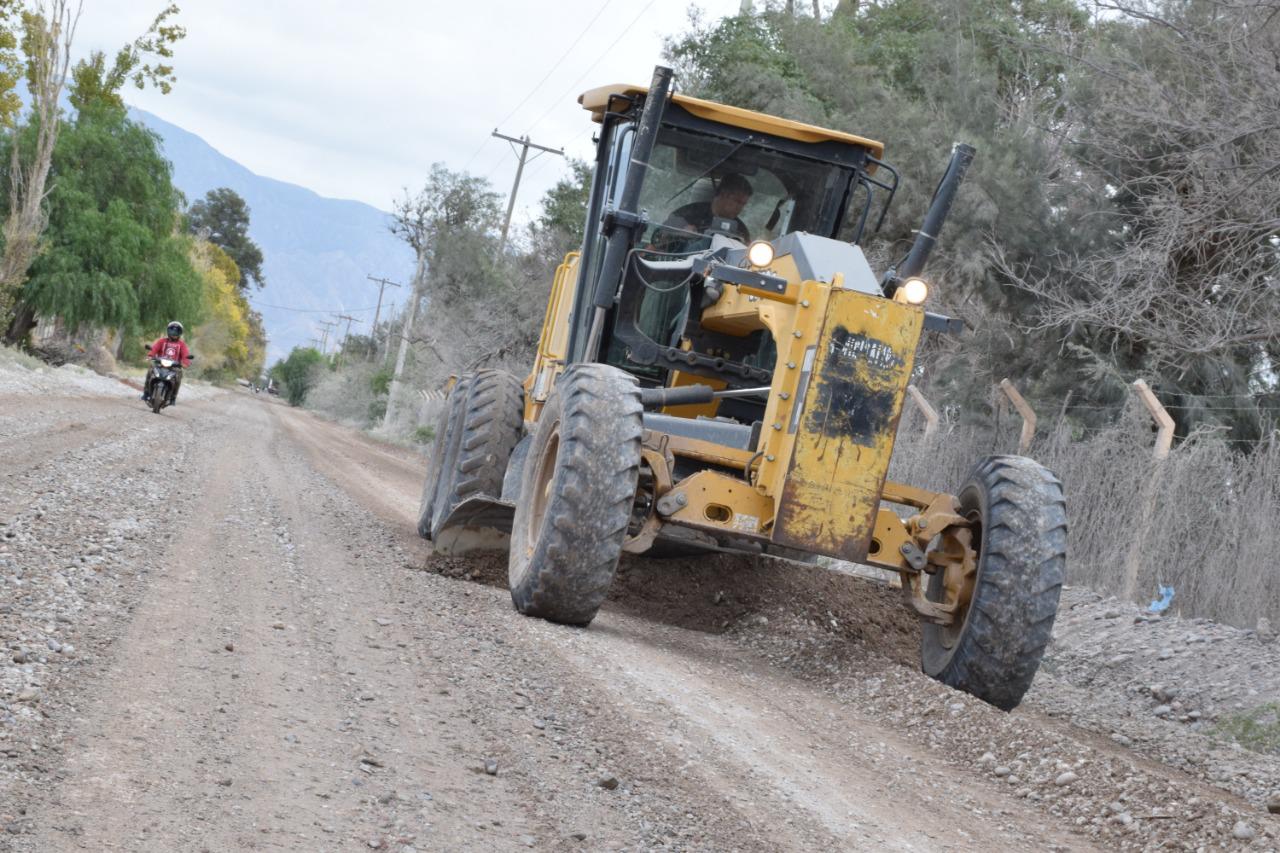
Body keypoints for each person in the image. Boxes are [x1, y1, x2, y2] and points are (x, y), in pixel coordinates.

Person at [663, 172, 754, 245]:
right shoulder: (687, 214)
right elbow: (658, 238)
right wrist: (680, 234)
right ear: (723, 194)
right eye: (737, 201)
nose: (740, 207)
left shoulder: (741, 230)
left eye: (743, 204)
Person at [143, 321, 192, 405]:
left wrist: (185, 362)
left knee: (178, 376)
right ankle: (146, 393)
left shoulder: (182, 345)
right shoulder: (162, 341)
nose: (174, 333)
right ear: (168, 331)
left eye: (176, 331)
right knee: (150, 370)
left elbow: (185, 355)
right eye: (172, 331)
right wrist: (150, 355)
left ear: (180, 333)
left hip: (174, 367)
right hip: (160, 364)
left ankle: (173, 397)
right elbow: (154, 349)